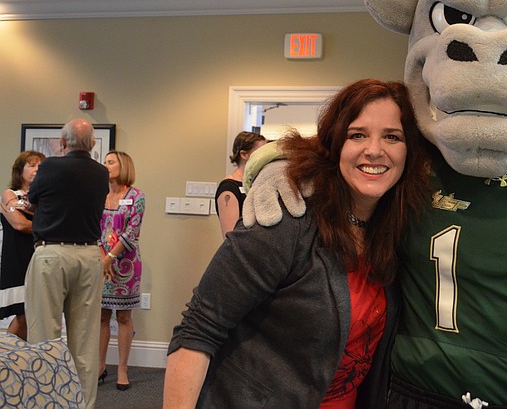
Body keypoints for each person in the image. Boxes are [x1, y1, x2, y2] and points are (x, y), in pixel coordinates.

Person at [164, 79, 430, 409]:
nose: (374, 149)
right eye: (357, 134)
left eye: (392, 136)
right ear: (335, 145)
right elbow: (197, 331)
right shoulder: (286, 217)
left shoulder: (396, 230)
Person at [25, 119, 109, 409]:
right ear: (93, 144)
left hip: (52, 254)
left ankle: (45, 401)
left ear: (63, 142)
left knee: (44, 334)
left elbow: (33, 199)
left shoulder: (49, 167)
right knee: (85, 340)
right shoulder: (101, 173)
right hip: (88, 256)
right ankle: (83, 405)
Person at [98, 151, 145, 391]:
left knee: (124, 316)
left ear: (123, 165)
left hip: (126, 264)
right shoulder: (97, 195)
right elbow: (92, 227)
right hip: (100, 262)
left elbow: (132, 232)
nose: (105, 166)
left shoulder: (136, 197)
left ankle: (123, 369)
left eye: (110, 162)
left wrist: (111, 257)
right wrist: (102, 258)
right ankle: (99, 365)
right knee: (102, 316)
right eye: (104, 162)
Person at [0, 151, 45, 339]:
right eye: (31, 165)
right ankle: (5, 358)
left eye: (40, 167)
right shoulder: (9, 194)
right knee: (24, 314)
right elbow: (19, 224)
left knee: (33, 315)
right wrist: (47, 225)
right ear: (20, 170)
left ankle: (19, 361)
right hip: (17, 257)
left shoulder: (44, 198)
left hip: (39, 257)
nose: (36, 170)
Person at [215, 131, 266, 237]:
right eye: (261, 152)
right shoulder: (228, 188)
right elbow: (230, 235)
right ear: (244, 154)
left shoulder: (258, 184)